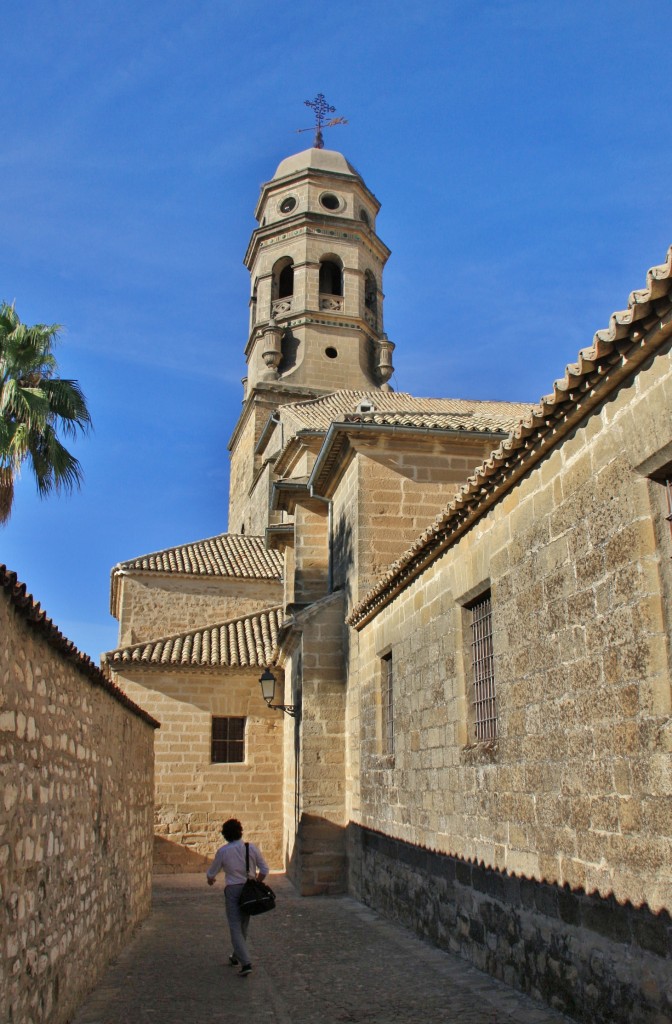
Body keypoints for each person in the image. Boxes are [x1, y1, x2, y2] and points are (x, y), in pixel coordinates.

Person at [206, 818, 269, 977]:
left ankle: (246, 962)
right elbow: (264, 869)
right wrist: (256, 883)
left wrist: (211, 879)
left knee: (235, 925)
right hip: (248, 890)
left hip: (233, 890)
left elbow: (211, 873)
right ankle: (236, 956)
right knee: (243, 925)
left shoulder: (223, 851)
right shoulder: (251, 848)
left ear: (225, 835)